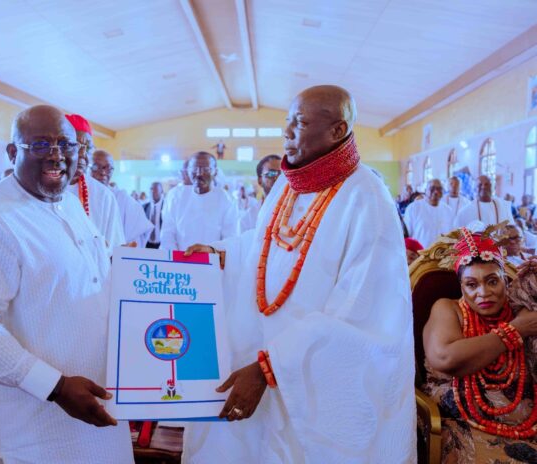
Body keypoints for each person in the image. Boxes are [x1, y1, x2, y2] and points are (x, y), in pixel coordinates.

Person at [183, 85, 416, 462]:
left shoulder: (367, 197)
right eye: (287, 120)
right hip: (257, 356)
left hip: (312, 381)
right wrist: (222, 253)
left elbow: (363, 312)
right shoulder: (290, 185)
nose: (287, 131)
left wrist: (272, 366)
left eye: (301, 122)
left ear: (338, 131)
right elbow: (265, 242)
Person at [0, 105, 133, 463]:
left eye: (67, 144)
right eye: (41, 144)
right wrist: (55, 387)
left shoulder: (69, 203)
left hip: (94, 407)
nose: (57, 155)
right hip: (31, 429)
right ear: (12, 152)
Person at [422, 230, 537, 463]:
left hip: (528, 425)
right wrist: (515, 331)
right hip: (464, 425)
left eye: (492, 281)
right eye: (471, 284)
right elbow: (445, 358)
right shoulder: (448, 308)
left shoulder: (520, 309)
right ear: (461, 287)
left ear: (506, 280)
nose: (483, 293)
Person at [65, 114, 124, 252]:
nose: (82, 154)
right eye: (75, 146)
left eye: (88, 148)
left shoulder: (104, 196)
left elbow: (115, 249)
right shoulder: (43, 190)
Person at [160, 151, 239, 251]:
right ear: (188, 171)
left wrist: (211, 253)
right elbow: (167, 234)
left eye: (206, 169)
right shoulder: (175, 196)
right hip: (179, 258)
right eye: (194, 169)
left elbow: (230, 238)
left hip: (213, 258)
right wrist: (176, 258)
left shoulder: (226, 199)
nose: (199, 173)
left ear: (215, 172)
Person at [90, 150, 152, 247]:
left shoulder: (123, 199)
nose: (103, 172)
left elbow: (139, 233)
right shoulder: (77, 195)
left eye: (108, 168)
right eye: (96, 167)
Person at [403, 179, 453, 248]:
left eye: (439, 189)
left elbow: (451, 236)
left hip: (442, 253)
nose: (436, 192)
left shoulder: (448, 211)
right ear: (425, 190)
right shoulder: (413, 208)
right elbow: (406, 236)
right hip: (419, 253)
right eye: (432, 188)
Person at [143, 182, 164, 249]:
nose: (152, 192)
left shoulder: (167, 207)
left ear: (161, 192)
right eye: (151, 189)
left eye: (155, 189)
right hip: (147, 245)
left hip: (161, 245)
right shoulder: (145, 207)